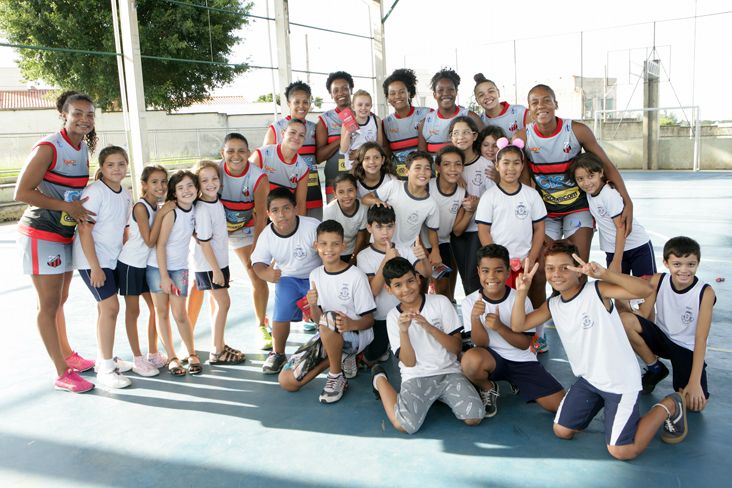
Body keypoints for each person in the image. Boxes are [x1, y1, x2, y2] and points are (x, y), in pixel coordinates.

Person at [511, 242, 689, 459]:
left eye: (564, 267)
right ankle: (600, 404)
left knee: (621, 451)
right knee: (562, 431)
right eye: (550, 268)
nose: (556, 274)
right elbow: (519, 326)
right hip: (590, 380)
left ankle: (671, 404)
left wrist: (604, 274)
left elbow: (645, 289)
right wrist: (522, 292)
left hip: (619, 381)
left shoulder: (597, 291)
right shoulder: (553, 304)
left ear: (578, 269)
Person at [15, 92, 97, 392]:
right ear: (64, 114)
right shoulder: (49, 147)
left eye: (89, 114)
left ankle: (68, 355)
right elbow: (21, 192)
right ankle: (61, 372)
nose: (84, 119)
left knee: (60, 301)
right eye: (77, 113)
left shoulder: (82, 149)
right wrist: (67, 208)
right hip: (40, 235)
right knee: (48, 305)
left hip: (65, 234)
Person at [513, 83, 634, 268]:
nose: (541, 106)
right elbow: (523, 181)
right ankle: (549, 299)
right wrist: (529, 218)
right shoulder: (523, 137)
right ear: (529, 109)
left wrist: (628, 201)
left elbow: (606, 166)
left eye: (547, 100)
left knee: (576, 269)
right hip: (546, 211)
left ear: (556, 104)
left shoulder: (577, 130)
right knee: (539, 271)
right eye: (535, 102)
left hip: (577, 208)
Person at [371, 257, 485, 434]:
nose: (406, 289)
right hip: (417, 376)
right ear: (389, 289)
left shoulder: (440, 302)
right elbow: (408, 363)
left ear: (418, 278)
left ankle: (439, 396)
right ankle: (379, 379)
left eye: (410, 281)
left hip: (449, 372)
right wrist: (403, 331)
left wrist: (428, 326)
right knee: (404, 425)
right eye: (398, 285)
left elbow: (455, 349)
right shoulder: (394, 317)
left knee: (474, 416)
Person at [460, 244, 565, 417]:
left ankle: (515, 380)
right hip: (491, 358)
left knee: (561, 407)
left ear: (509, 272)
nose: (492, 276)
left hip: (521, 360)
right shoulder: (470, 302)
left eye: (498, 271)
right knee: (470, 361)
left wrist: (500, 327)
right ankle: (488, 388)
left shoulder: (520, 298)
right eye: (485, 271)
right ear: (478, 272)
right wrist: (474, 318)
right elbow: (480, 343)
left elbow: (524, 344)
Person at [278, 220, 376, 403]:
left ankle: (336, 376)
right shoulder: (315, 275)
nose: (328, 249)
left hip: (356, 334)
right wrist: (313, 305)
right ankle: (342, 358)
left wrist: (350, 324)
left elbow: (369, 320)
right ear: (316, 246)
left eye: (335, 244)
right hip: (328, 334)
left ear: (343, 246)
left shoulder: (356, 275)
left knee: (331, 318)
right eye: (323, 243)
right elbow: (318, 321)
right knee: (287, 382)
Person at [620, 236, 715, 412]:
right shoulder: (658, 280)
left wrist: (694, 383)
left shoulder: (705, 292)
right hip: (661, 338)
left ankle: (680, 389)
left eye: (690, 264)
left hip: (686, 349)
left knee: (694, 405)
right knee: (624, 320)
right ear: (666, 263)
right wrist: (624, 304)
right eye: (677, 264)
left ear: (698, 264)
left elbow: (701, 339)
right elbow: (644, 314)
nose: (684, 270)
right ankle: (655, 367)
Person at [73, 146, 140, 388]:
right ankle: (107, 370)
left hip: (112, 259)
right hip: (92, 261)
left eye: (121, 163)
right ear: (101, 168)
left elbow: (123, 229)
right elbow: (84, 230)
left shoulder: (125, 193)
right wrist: (96, 267)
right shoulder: (94, 192)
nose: (117, 169)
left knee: (105, 309)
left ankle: (104, 359)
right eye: (111, 164)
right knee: (110, 308)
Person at [251, 188, 321, 374]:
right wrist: (265, 274)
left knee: (324, 311)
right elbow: (257, 262)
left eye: (286, 208)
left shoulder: (312, 226)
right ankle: (278, 353)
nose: (281, 214)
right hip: (288, 277)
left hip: (315, 277)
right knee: (280, 313)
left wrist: (322, 251)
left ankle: (327, 345)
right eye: (275, 210)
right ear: (268, 214)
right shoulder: (267, 235)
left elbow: (329, 248)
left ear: (295, 209)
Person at [215, 133, 271, 349]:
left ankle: (261, 325)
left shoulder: (258, 177)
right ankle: (190, 333)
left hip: (244, 230)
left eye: (241, 151)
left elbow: (260, 216)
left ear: (249, 153)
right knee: (201, 281)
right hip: (215, 231)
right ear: (222, 153)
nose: (236, 155)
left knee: (256, 273)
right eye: (230, 151)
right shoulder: (214, 171)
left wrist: (256, 249)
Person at [356, 205, 430, 366]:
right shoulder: (364, 256)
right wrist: (387, 259)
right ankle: (381, 347)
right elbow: (373, 291)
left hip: (408, 314)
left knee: (419, 354)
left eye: (389, 226)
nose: (385, 232)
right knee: (371, 359)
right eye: (379, 227)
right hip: (380, 318)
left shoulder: (405, 249)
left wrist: (423, 258)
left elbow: (425, 273)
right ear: (369, 228)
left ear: (395, 226)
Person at [146, 170, 202, 376]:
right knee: (162, 312)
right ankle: (171, 357)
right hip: (158, 268)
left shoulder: (195, 210)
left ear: (197, 188)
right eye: (180, 187)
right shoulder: (172, 212)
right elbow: (160, 246)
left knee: (180, 313)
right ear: (174, 193)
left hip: (180, 268)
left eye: (190, 186)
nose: (186, 191)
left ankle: (191, 353)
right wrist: (164, 276)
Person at [189, 160, 244, 365]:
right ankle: (217, 352)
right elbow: (204, 242)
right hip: (210, 265)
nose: (211, 183)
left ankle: (218, 342)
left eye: (214, 178)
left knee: (215, 303)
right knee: (224, 303)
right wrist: (216, 271)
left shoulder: (215, 202)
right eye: (204, 180)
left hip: (219, 262)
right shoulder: (203, 209)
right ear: (198, 184)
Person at [117, 164, 169, 370]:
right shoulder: (141, 207)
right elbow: (149, 240)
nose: (160, 186)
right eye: (154, 182)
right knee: (133, 311)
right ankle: (137, 358)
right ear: (144, 185)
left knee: (156, 308)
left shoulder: (157, 206)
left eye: (163, 181)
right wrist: (164, 213)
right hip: (130, 265)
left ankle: (153, 352)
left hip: (146, 266)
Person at [570, 152, 655, 277]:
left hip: (637, 247)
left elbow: (621, 227)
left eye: (591, 176)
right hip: (613, 250)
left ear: (601, 173)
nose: (586, 183)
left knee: (646, 288)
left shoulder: (609, 194)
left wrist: (616, 261)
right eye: (580, 179)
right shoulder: (588, 193)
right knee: (618, 291)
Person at [361, 151, 440, 265]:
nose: (422, 172)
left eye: (427, 168)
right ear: (407, 171)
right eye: (417, 168)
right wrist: (376, 200)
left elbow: (432, 230)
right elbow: (365, 199)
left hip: (406, 253)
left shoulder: (431, 204)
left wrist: (435, 250)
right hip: (379, 249)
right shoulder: (394, 186)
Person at [263, 81, 323, 220]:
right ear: (289, 103)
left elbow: (320, 156)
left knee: (312, 230)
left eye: (305, 102)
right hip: (284, 192)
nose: (301, 106)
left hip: (311, 189)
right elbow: (264, 165)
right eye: (297, 102)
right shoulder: (276, 128)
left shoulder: (315, 128)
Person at [420, 145, 472, 301]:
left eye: (457, 164)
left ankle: (445, 321)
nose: (453, 169)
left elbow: (456, 230)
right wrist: (424, 250)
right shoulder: (426, 186)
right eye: (447, 164)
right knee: (419, 285)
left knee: (443, 287)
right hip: (419, 242)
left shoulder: (462, 192)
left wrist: (470, 211)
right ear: (438, 167)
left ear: (463, 167)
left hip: (442, 243)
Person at [448, 116, 489, 295]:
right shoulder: (447, 166)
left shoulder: (486, 165)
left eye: (466, 132)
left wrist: (476, 203)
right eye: (456, 133)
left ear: (474, 136)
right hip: (455, 228)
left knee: (474, 277)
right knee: (465, 279)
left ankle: (481, 317)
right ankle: (473, 317)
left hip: (477, 229)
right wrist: (454, 173)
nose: (461, 137)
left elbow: (494, 200)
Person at [251, 118, 310, 216]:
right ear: (282, 133)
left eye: (301, 135)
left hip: (281, 218)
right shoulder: (262, 154)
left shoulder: (303, 168)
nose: (296, 137)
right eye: (292, 132)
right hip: (254, 215)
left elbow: (300, 204)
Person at [418, 68, 482, 156]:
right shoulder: (424, 123)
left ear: (456, 92)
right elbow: (422, 157)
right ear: (434, 95)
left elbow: (484, 148)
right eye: (440, 90)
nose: (446, 93)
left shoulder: (471, 117)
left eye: (451, 89)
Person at [381, 68, 430, 179]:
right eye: (392, 93)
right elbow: (387, 155)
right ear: (388, 98)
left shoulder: (428, 114)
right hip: (400, 179)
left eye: (402, 92)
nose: (397, 96)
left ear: (409, 93)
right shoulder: (385, 123)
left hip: (425, 177)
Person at [317, 71, 354, 199]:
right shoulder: (325, 119)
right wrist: (343, 137)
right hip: (334, 179)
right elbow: (319, 157)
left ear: (351, 90)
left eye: (345, 89)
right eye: (336, 90)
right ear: (331, 95)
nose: (341, 93)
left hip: (361, 178)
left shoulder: (364, 115)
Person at [322, 173, 368, 264]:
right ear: (335, 194)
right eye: (341, 192)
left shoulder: (364, 207)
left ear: (356, 190)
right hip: (336, 252)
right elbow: (329, 238)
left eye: (350, 190)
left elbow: (361, 236)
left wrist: (353, 258)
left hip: (355, 251)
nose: (346, 196)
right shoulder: (329, 210)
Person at [339, 89, 383, 171]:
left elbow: (379, 145)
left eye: (367, 105)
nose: (363, 108)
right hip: (354, 166)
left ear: (371, 106)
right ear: (353, 107)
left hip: (372, 164)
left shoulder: (376, 120)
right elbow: (343, 149)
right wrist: (349, 132)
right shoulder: (346, 123)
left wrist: (360, 153)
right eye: (359, 105)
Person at [473, 74, 528, 139]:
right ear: (477, 101)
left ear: (498, 93)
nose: (487, 96)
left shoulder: (520, 112)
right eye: (481, 95)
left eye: (491, 91)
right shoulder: (479, 121)